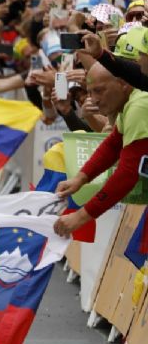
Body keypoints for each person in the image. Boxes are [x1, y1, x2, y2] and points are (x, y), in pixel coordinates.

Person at [55, 64, 148, 236]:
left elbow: (128, 173)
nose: (94, 99)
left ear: (123, 83)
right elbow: (113, 145)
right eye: (90, 92)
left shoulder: (139, 106)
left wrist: (81, 217)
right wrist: (80, 179)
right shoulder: (130, 102)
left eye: (99, 90)